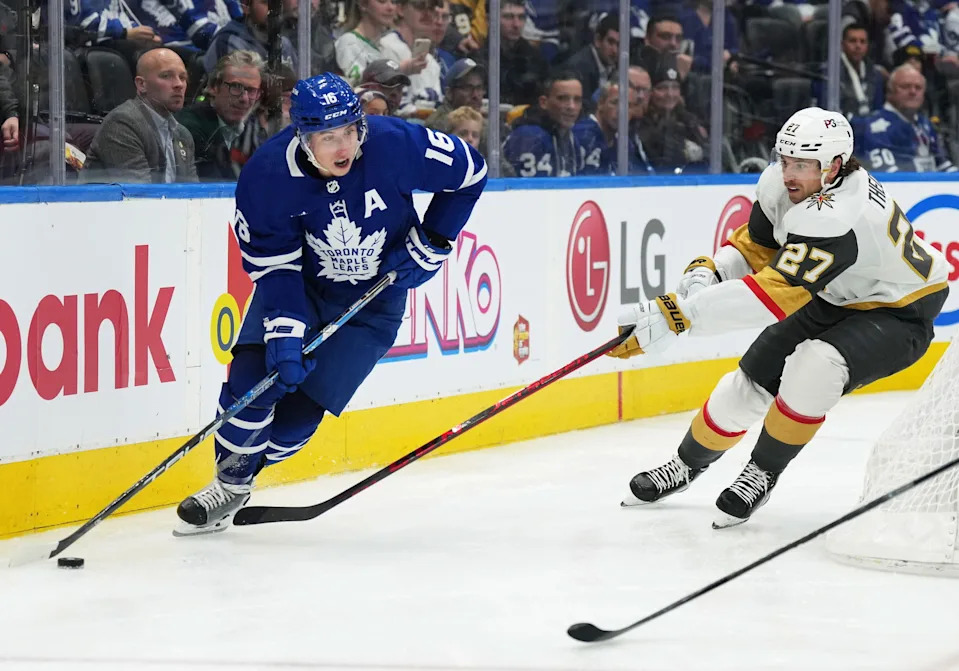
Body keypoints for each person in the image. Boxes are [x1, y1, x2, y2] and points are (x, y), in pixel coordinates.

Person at [175, 73, 487, 535]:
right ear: (302, 136)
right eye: (327, 137)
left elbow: (471, 172)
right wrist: (285, 327)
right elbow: (275, 266)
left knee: (296, 421)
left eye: (350, 131)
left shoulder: (395, 143)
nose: (344, 147)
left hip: (374, 303)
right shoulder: (267, 176)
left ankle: (251, 470)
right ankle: (230, 482)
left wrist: (435, 238)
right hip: (301, 287)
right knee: (250, 384)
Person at [612, 106, 948, 527]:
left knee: (815, 366)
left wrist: (681, 316)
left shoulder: (840, 215)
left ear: (834, 168)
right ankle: (686, 464)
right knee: (749, 383)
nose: (788, 173)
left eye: (802, 164)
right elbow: (756, 249)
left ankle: (763, 472)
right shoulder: (787, 185)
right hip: (837, 295)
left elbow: (772, 296)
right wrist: (710, 271)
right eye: (785, 159)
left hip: (899, 309)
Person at [82, 48, 198, 184]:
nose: (179, 84)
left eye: (182, 77)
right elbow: (139, 196)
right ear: (142, 85)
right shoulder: (122, 124)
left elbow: (194, 195)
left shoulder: (182, 135)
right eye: (166, 76)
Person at [177, 50, 263, 181]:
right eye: (236, 87)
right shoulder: (189, 127)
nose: (244, 99)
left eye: (251, 90)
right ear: (213, 86)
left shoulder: (255, 130)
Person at [858, 64, 957, 172]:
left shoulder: (925, 124)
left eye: (918, 88)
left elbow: (943, 165)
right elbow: (890, 177)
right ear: (890, 91)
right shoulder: (875, 127)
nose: (913, 92)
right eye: (905, 86)